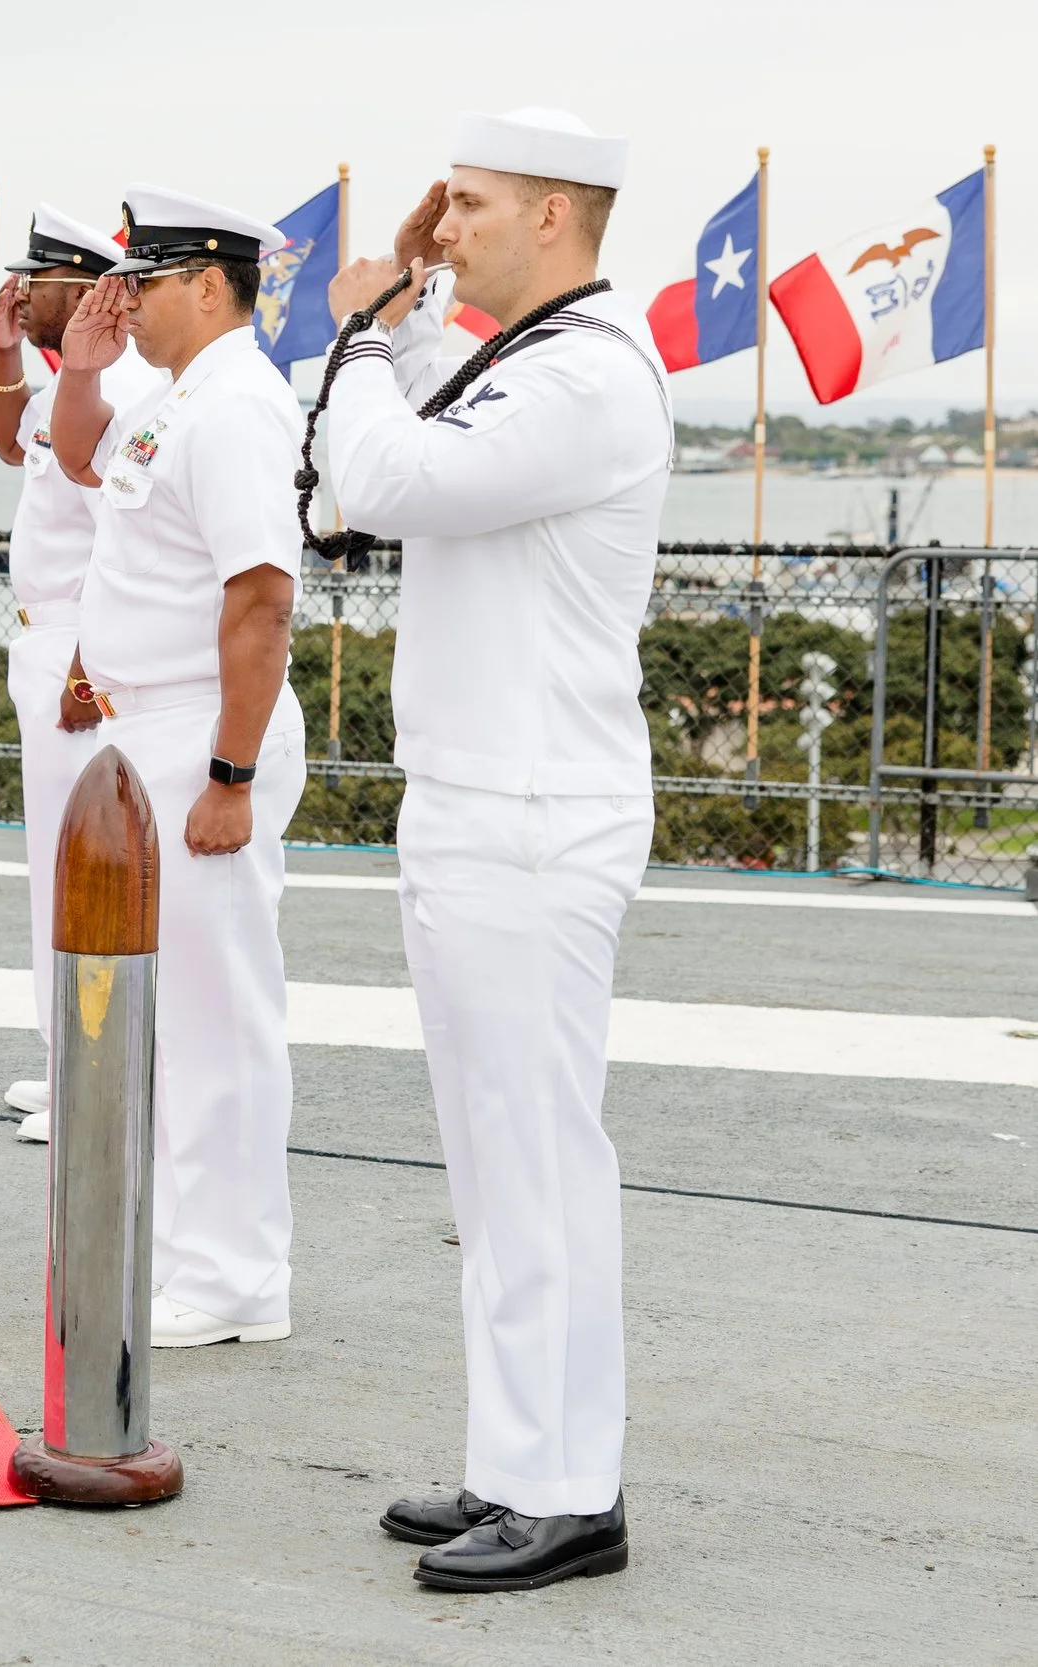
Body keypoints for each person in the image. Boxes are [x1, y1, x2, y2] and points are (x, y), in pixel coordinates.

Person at [319, 107, 667, 1592]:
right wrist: (397, 322)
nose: (439, 228)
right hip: (478, 799)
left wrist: (351, 332)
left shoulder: (588, 378)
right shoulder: (526, 367)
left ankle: (567, 1485)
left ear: (552, 216)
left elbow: (388, 480)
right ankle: (518, 1452)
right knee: (493, 1154)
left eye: (464, 206)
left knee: (534, 1157)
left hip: (531, 813)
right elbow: (399, 447)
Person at [48, 187, 308, 1351]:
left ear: (210, 282)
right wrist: (82, 366)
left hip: (204, 729)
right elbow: (81, 459)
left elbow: (260, 597)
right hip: (140, 725)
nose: (125, 300)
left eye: (142, 283)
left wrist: (230, 774)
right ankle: (193, 1253)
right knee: (166, 1017)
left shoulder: (240, 405)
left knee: (217, 1014)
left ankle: (238, 1275)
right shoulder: (173, 396)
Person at [0, 206, 165, 1141]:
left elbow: (120, 547)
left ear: (91, 285)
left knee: (85, 872)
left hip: (81, 653)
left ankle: (98, 1071)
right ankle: (69, 1063)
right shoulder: (74, 383)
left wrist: (90, 669)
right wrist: (6, 353)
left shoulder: (125, 388)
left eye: (37, 281)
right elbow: (18, 446)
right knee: (46, 870)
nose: (21, 290)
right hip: (46, 641)